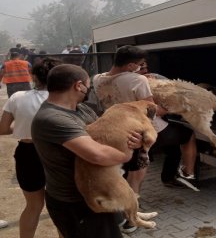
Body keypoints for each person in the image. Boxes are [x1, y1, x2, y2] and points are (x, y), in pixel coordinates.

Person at [93, 45, 199, 232]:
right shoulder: (137, 80)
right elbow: (152, 110)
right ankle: (130, 220)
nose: (142, 67)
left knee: (124, 171)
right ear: (131, 64)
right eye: (140, 65)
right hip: (140, 132)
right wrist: (176, 108)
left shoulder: (98, 79)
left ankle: (165, 180)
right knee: (140, 171)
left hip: (115, 130)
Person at [31, 64, 143, 238]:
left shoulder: (81, 109)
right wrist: (127, 154)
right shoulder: (52, 118)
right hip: (74, 202)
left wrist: (133, 141)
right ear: (78, 85)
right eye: (88, 84)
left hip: (94, 193)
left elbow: (106, 134)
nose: (89, 89)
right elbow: (97, 154)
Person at [0, 58, 62, 238]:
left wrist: (22, 126)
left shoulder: (17, 97)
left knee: (33, 206)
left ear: (33, 76)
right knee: (60, 206)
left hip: (27, 153)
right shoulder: (65, 99)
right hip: (57, 155)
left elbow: (3, 129)